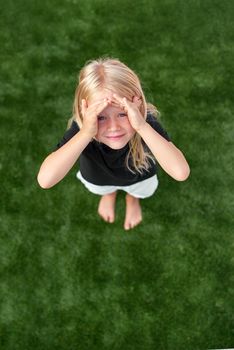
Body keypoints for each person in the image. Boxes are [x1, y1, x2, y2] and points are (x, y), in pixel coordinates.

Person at [37, 57, 190, 230]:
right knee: (105, 190)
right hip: (99, 180)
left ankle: (132, 200)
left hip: (140, 179)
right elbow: (45, 180)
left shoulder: (145, 122)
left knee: (136, 192)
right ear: (85, 113)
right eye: (100, 117)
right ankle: (109, 195)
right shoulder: (82, 128)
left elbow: (180, 172)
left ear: (137, 107)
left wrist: (141, 125)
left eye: (123, 114)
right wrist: (86, 132)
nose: (113, 127)